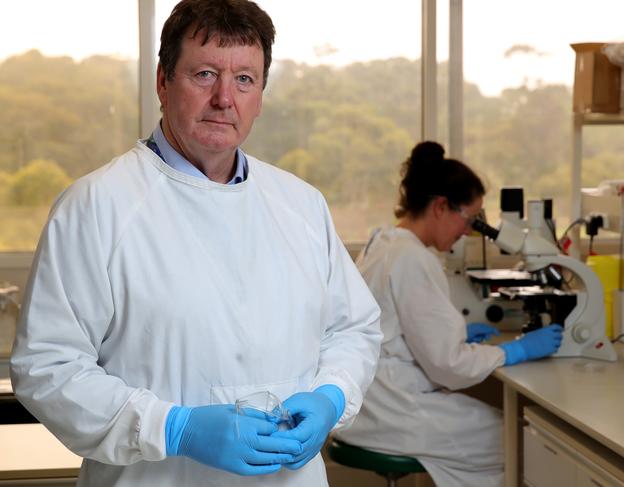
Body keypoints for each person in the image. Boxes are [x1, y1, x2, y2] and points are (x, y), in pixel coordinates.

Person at [10, 1, 382, 485]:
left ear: (261, 94)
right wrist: (175, 428)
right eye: (205, 74)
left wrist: (331, 396)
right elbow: (48, 367)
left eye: (245, 80)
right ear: (163, 81)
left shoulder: (302, 204)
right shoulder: (96, 206)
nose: (225, 98)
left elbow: (354, 329)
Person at [335, 141, 563, 487]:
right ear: (441, 206)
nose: (468, 231)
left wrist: (456, 335)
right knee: (521, 442)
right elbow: (450, 366)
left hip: (371, 407)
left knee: (498, 435)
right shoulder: (412, 258)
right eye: (469, 218)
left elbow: (394, 329)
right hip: (395, 412)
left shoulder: (382, 242)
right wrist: (515, 350)